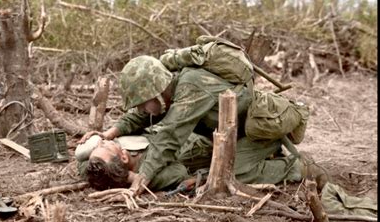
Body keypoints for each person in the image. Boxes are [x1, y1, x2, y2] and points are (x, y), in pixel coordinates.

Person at [80, 55, 327, 195]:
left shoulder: (190, 88)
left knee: (231, 172)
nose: (142, 110)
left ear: (156, 93)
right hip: (234, 133)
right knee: (221, 165)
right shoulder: (170, 92)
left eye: (143, 103)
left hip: (261, 129)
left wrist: (142, 177)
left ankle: (299, 168)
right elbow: (144, 116)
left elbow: (169, 136)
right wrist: (109, 132)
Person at [76, 132, 213, 192]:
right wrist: (130, 178)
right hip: (199, 139)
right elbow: (178, 172)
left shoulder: (99, 171)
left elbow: (82, 164)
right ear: (124, 157)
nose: (102, 142)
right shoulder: (145, 169)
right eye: (104, 146)